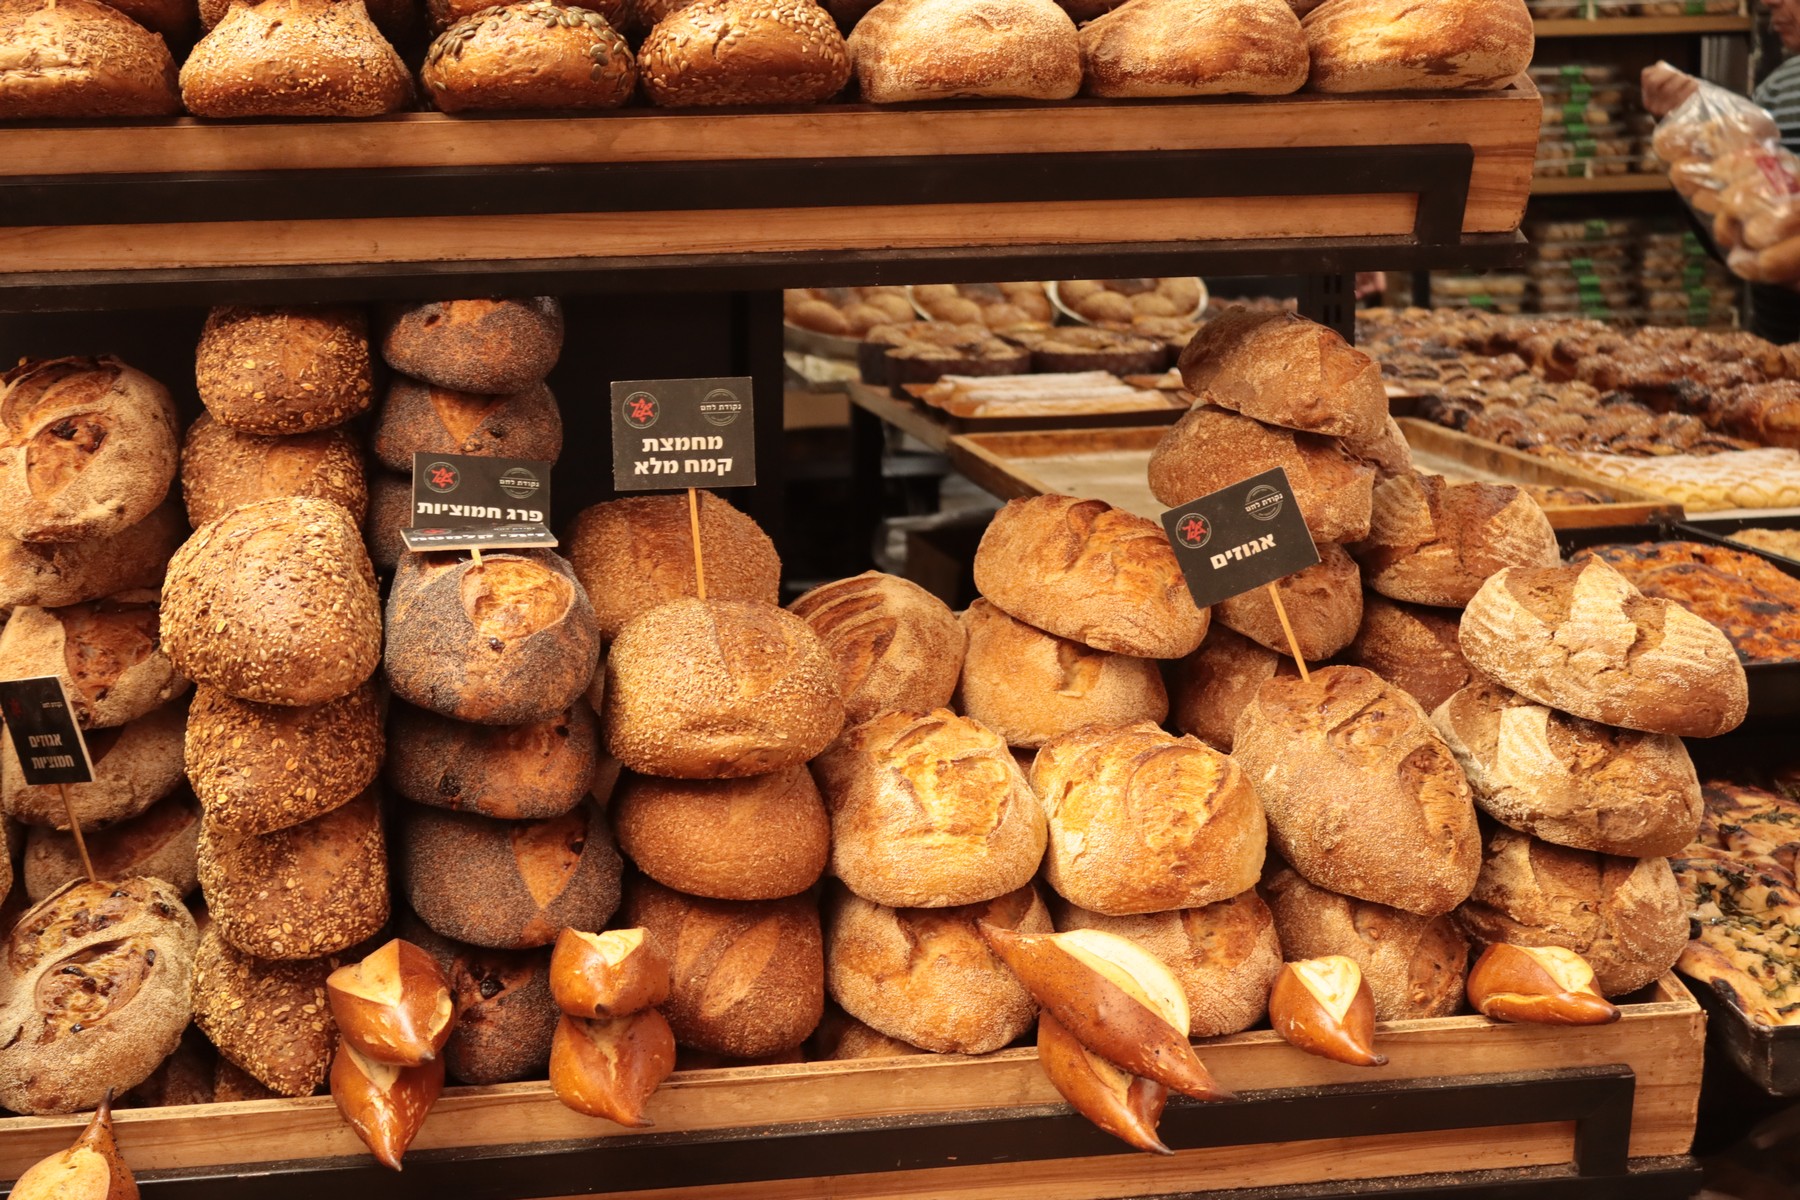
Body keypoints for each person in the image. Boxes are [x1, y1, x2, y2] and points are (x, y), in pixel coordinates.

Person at [1643, 0, 1800, 341]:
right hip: (1778, 351)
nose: (1769, 2)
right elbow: (1732, 236)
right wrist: (1688, 131)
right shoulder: (1779, 88)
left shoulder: (1784, 87)